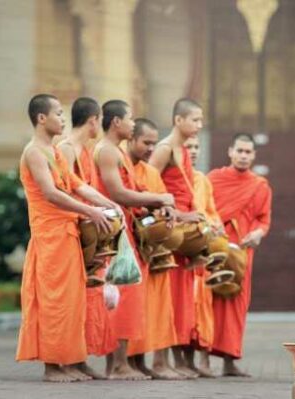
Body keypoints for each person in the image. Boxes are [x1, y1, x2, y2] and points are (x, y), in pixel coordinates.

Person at [16, 94, 116, 383]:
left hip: (67, 234)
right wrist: (89, 211)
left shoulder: (55, 151)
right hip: (49, 238)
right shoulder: (34, 151)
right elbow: (50, 192)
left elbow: (77, 185)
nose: (63, 118)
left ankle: (70, 361)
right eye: (58, 113)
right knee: (54, 301)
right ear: (41, 118)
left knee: (73, 302)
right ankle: (52, 366)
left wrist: (109, 206)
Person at [92, 99, 174, 380]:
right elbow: (118, 193)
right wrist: (158, 198)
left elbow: (133, 191)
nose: (132, 123)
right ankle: (117, 366)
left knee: (125, 297)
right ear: (116, 122)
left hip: (125, 230)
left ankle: (119, 363)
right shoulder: (105, 151)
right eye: (129, 119)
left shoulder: (116, 152)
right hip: (114, 234)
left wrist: (155, 206)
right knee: (120, 296)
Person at [58, 96, 118, 379]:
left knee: (89, 299)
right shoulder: (67, 149)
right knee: (71, 300)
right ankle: (66, 361)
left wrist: (107, 206)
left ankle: (80, 358)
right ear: (94, 120)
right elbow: (65, 191)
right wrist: (92, 211)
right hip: (71, 230)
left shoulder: (84, 149)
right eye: (99, 120)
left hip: (87, 229)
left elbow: (84, 187)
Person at [125, 117, 186, 380]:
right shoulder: (123, 167)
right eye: (146, 142)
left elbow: (164, 200)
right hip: (131, 246)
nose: (151, 148)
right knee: (133, 305)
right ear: (131, 139)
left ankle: (154, 362)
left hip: (154, 249)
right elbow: (121, 197)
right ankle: (132, 362)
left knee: (159, 307)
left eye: (153, 142)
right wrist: (154, 203)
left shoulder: (150, 172)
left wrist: (168, 211)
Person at [149, 98, 206, 378]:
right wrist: (180, 216)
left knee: (180, 301)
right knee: (165, 300)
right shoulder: (163, 149)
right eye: (195, 119)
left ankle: (171, 361)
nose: (199, 125)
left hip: (184, 236)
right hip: (168, 232)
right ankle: (159, 362)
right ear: (178, 120)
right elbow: (146, 187)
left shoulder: (182, 150)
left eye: (201, 120)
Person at [208, 133, 272, 377]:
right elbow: (203, 208)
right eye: (240, 151)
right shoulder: (213, 179)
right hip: (215, 249)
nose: (244, 156)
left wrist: (258, 233)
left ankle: (229, 360)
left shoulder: (260, 185)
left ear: (254, 155)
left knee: (237, 304)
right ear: (230, 152)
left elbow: (263, 219)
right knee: (208, 301)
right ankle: (202, 359)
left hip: (242, 252)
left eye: (248, 152)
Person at [184, 135, 222, 378]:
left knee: (205, 307)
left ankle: (204, 360)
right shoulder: (173, 178)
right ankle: (185, 361)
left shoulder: (202, 180)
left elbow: (211, 211)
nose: (194, 151)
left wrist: (216, 224)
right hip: (185, 251)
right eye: (189, 147)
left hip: (204, 250)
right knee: (186, 306)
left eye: (197, 147)